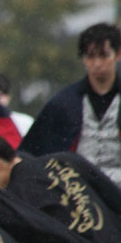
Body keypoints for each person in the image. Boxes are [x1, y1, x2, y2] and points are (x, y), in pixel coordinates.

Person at [20, 22, 121, 183]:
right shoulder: (64, 103)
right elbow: (33, 151)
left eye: (103, 55)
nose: (97, 63)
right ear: (83, 58)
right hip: (77, 188)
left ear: (117, 55)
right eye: (90, 56)